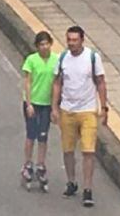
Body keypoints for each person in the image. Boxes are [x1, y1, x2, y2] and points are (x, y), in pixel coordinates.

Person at [51, 25, 108, 208]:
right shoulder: (62, 58)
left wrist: (104, 107)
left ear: (82, 40)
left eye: (75, 40)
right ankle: (71, 181)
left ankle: (88, 189)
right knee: (68, 150)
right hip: (67, 110)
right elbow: (57, 83)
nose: (72, 43)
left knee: (88, 151)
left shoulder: (92, 58)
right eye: (69, 40)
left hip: (88, 110)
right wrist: (54, 107)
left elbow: (100, 82)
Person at [21, 31, 55, 190]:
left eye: (47, 43)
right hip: (33, 103)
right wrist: (29, 104)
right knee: (31, 134)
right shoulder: (31, 60)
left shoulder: (56, 60)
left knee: (43, 135)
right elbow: (28, 82)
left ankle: (41, 165)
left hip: (47, 104)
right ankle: (28, 164)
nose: (44, 47)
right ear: (37, 46)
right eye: (41, 44)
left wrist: (55, 106)